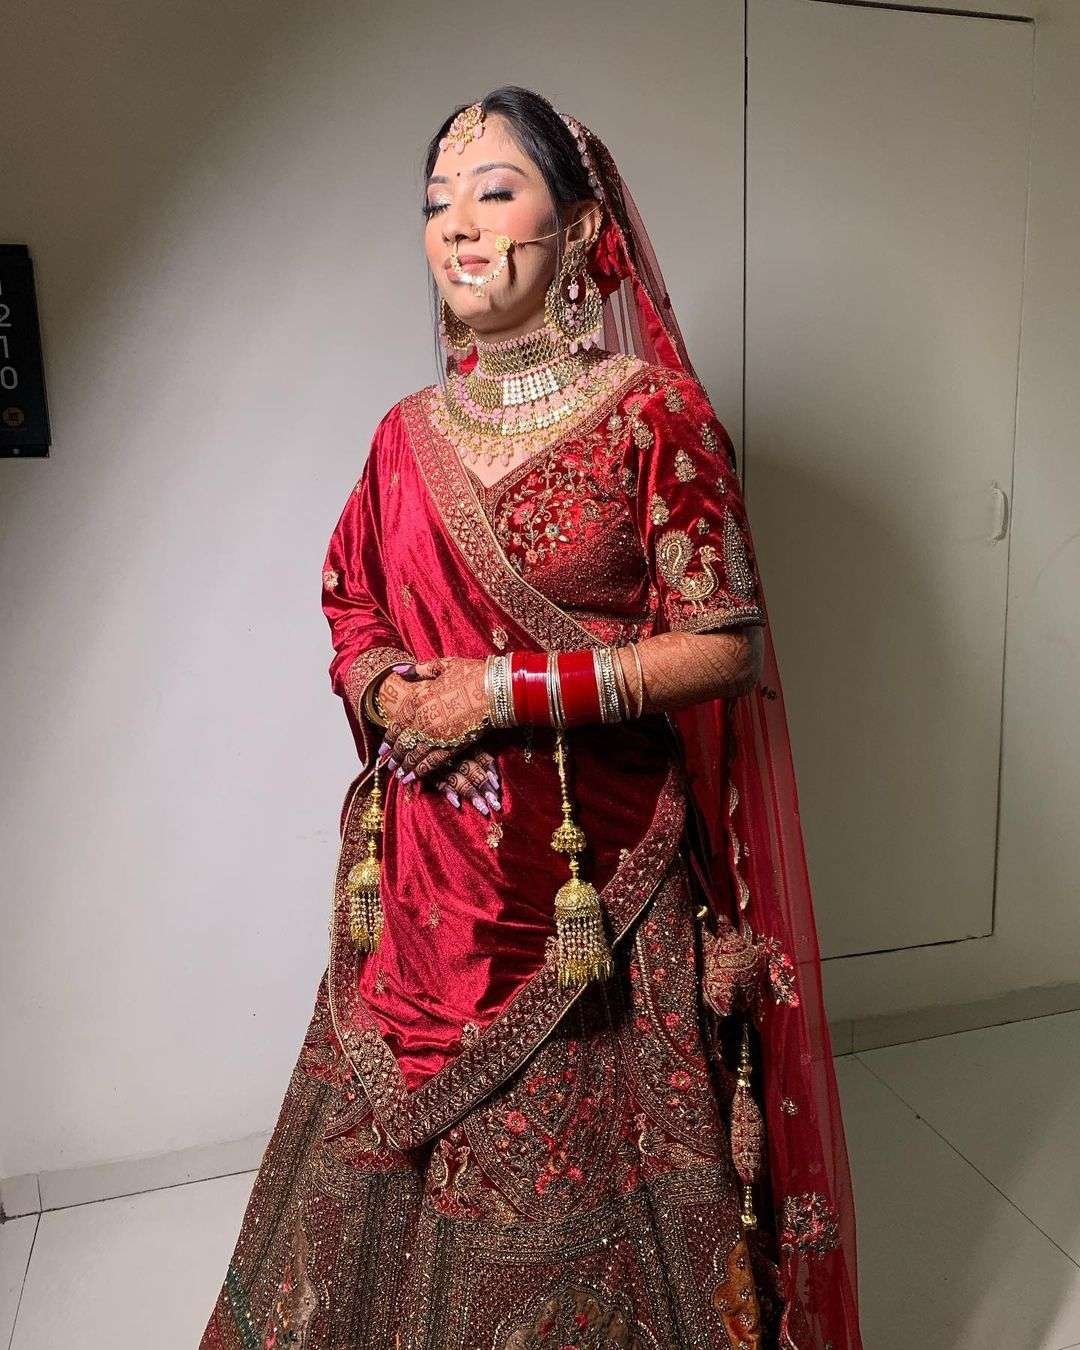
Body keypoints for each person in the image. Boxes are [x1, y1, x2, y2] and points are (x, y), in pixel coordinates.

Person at [199, 86, 863, 1350]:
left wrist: (499, 692)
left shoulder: (654, 418)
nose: (457, 225)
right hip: (423, 875)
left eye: (494, 192)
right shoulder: (404, 437)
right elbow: (350, 594)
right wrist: (390, 689)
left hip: (589, 880)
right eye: (436, 202)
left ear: (581, 228)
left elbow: (725, 644)